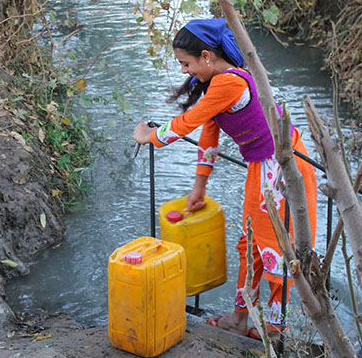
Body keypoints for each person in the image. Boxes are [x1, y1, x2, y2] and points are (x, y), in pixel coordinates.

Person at [132, 18, 317, 338]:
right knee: (250, 244)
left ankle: (276, 328)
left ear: (206, 56)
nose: (183, 71)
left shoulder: (229, 83)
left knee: (275, 248)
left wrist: (150, 136)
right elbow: (208, 134)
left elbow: (189, 121)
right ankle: (241, 317)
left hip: (281, 169)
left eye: (185, 63)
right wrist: (199, 186)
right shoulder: (220, 83)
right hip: (262, 167)